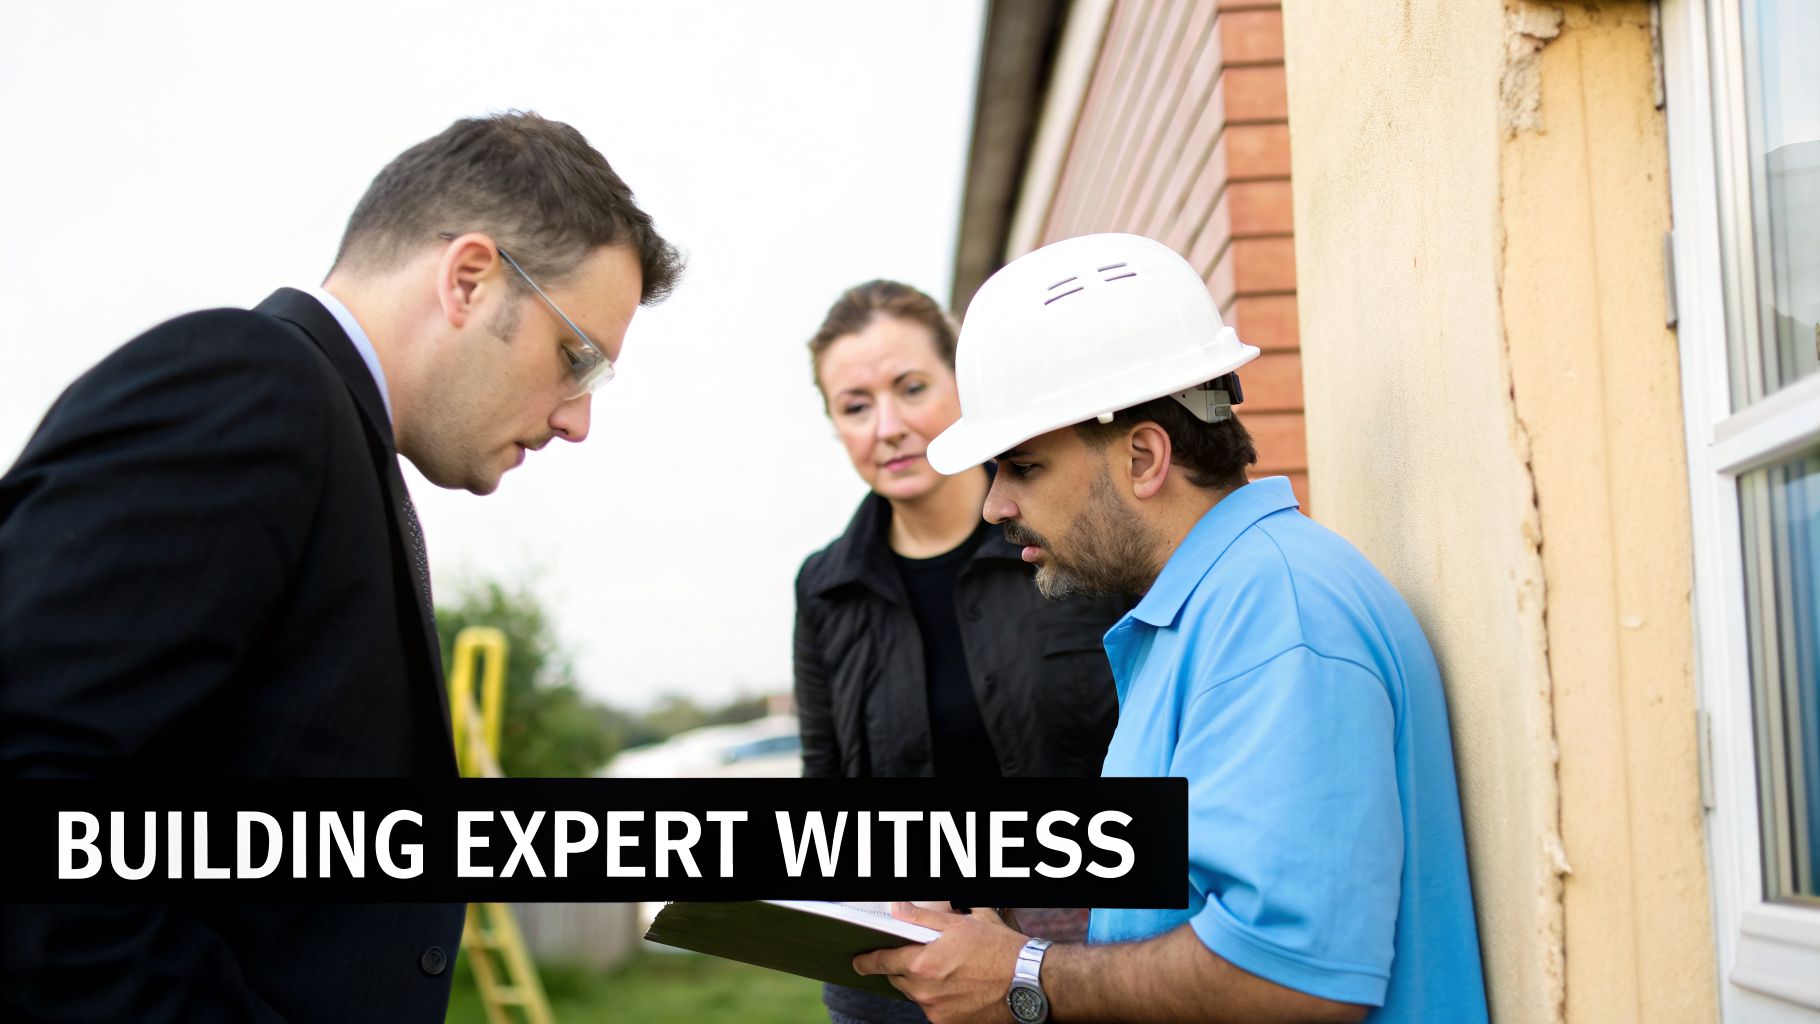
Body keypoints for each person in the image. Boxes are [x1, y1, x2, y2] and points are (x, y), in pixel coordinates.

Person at [0, 111, 682, 1021]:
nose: (576, 419)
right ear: (470, 279)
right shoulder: (250, 387)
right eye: (575, 358)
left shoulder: (334, 437)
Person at [852, 234, 1488, 1023]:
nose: (996, 508)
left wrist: (1023, 976)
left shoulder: (1277, 617)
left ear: (1145, 456)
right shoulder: (1207, 613)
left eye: (1023, 467)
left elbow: (1293, 977)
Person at [794, 280, 1128, 1024]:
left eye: (911, 388)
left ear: (963, 387)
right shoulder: (824, 587)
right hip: (893, 975)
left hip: (1078, 965)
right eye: (855, 405)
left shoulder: (1071, 543)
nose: (889, 425)